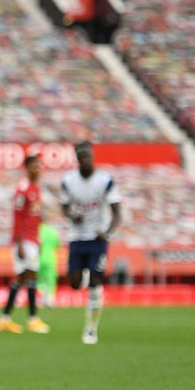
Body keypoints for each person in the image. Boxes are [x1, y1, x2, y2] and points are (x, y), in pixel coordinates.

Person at [60, 141, 121, 345]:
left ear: (93, 157)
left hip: (97, 238)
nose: (86, 160)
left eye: (89, 156)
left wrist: (108, 232)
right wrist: (71, 216)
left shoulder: (105, 180)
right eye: (82, 157)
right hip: (77, 237)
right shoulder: (68, 181)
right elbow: (64, 206)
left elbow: (117, 212)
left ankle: (91, 329)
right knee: (74, 283)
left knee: (95, 284)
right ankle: (88, 275)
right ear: (78, 159)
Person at [0, 155, 50, 334]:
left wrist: (38, 239)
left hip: (32, 239)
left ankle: (4, 318)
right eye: (34, 166)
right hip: (24, 240)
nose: (38, 169)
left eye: (39, 166)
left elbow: (35, 217)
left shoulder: (36, 188)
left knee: (23, 278)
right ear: (27, 168)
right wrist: (18, 243)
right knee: (29, 276)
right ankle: (32, 320)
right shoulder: (23, 188)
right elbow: (17, 216)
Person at [36, 215, 61, 309]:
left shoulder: (37, 230)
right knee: (50, 280)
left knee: (39, 280)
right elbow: (58, 244)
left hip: (38, 258)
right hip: (50, 259)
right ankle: (50, 300)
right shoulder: (53, 231)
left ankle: (42, 298)